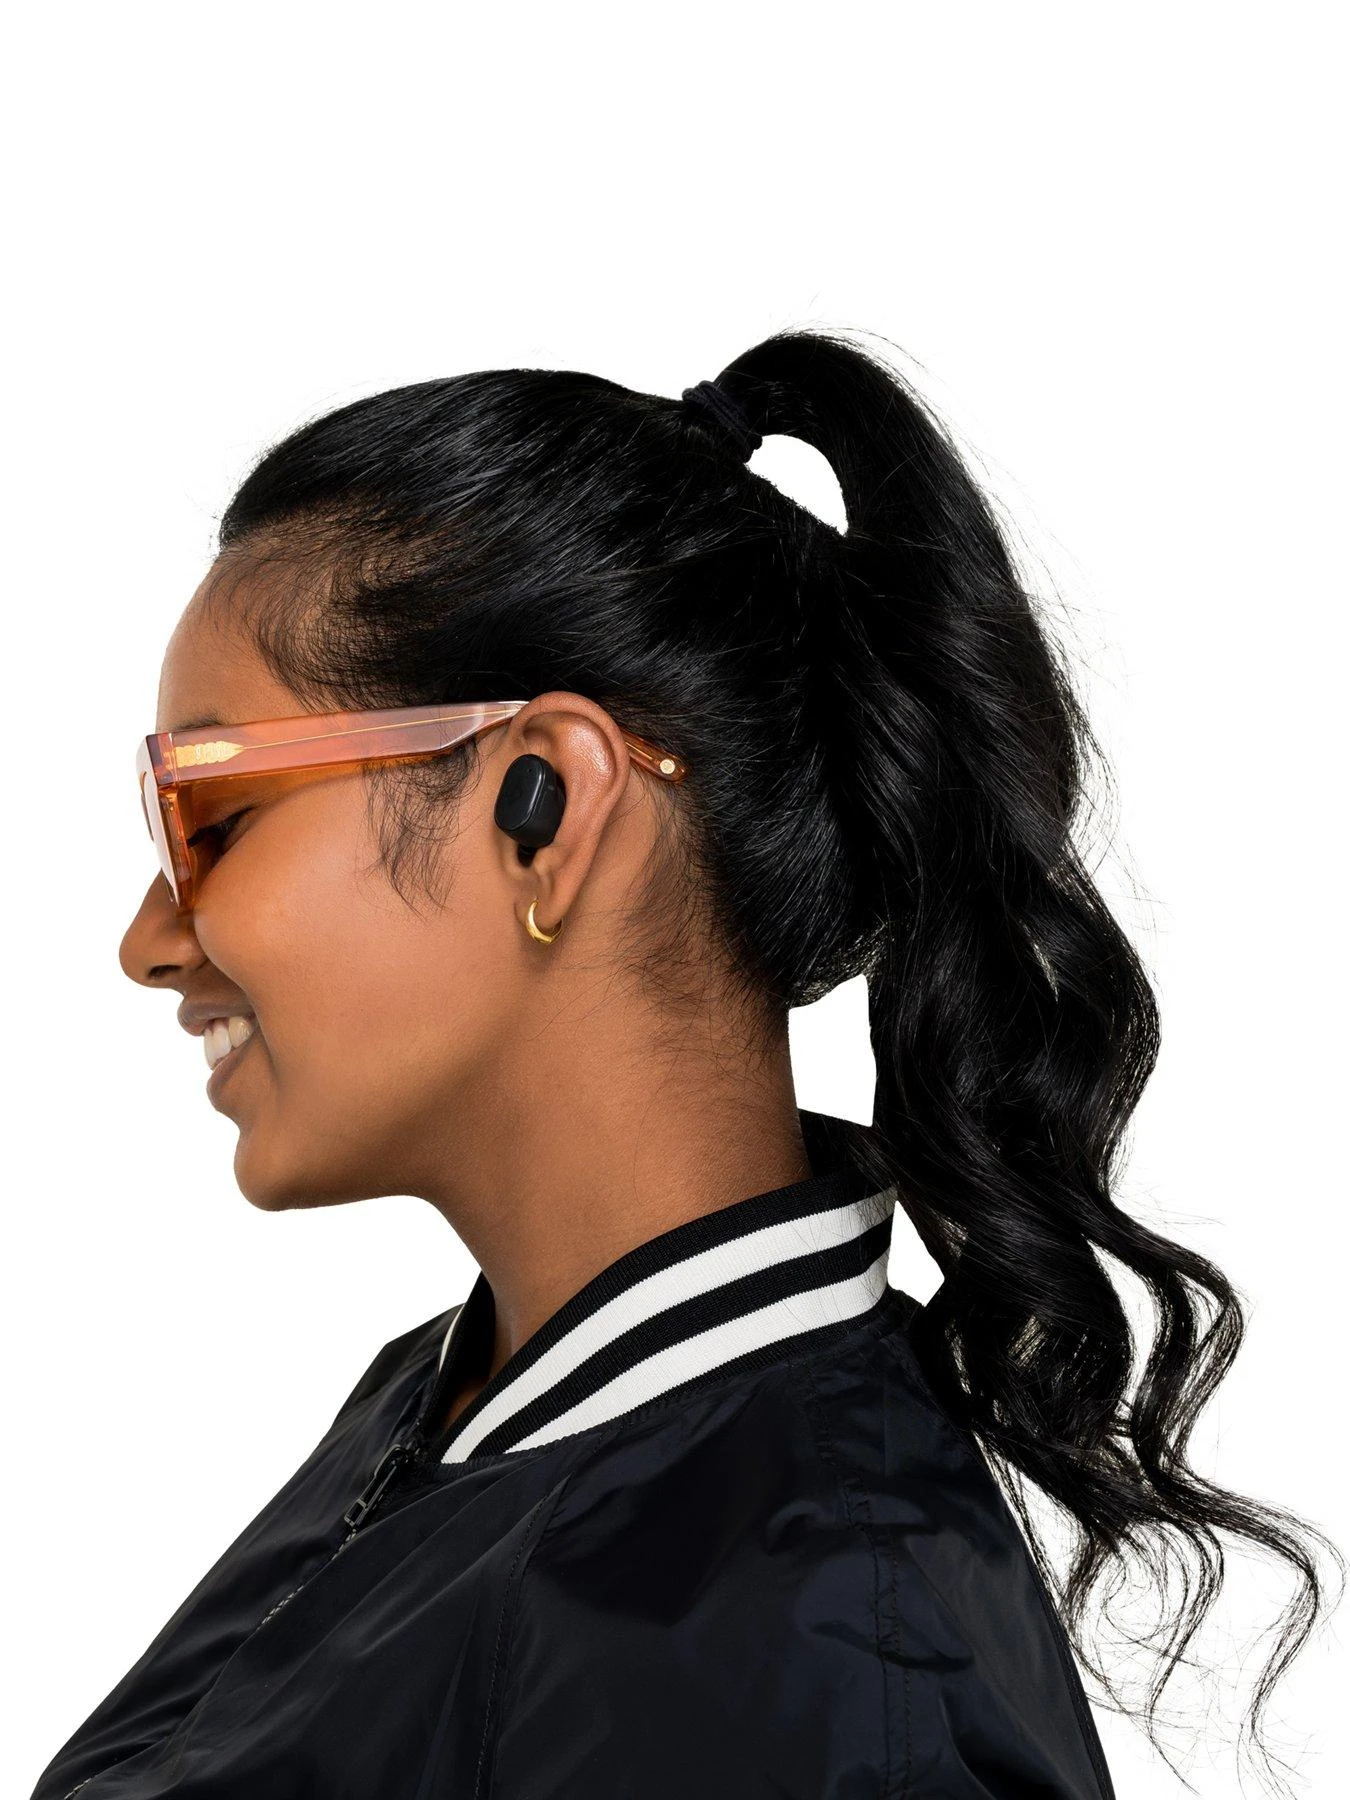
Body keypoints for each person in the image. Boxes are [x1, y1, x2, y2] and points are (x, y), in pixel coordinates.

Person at [32, 330, 1334, 1800]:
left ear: (545, 808)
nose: (149, 941)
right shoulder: (461, 1406)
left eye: (212, 814)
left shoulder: (806, 1666)